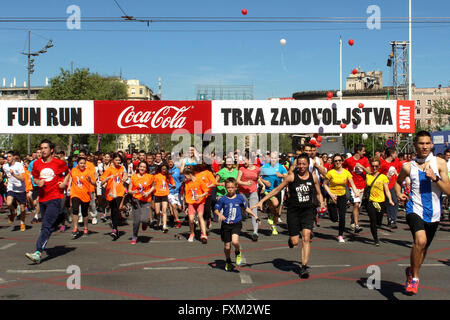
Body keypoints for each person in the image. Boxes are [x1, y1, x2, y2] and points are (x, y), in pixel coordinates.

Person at [395, 131, 450, 295]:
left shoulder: (440, 163)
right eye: (421, 143)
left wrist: (435, 178)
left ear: (431, 144)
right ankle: (415, 278)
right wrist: (399, 194)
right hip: (414, 209)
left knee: (423, 248)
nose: (424, 147)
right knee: (420, 240)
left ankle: (411, 270)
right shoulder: (407, 166)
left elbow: (448, 190)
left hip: (434, 213)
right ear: (415, 145)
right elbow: (397, 183)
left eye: (427, 143)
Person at [253, 153, 326, 278]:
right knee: (295, 241)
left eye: (304, 164)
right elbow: (277, 190)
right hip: (294, 212)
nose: (302, 166)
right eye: (299, 164)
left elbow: (318, 192)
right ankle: (292, 240)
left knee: (306, 237)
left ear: (308, 164)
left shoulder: (313, 177)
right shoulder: (291, 177)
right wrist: (262, 200)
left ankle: (303, 268)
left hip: (308, 211)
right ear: (296, 165)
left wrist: (322, 202)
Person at [25, 139, 70, 264]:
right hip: (43, 198)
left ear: (51, 150)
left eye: (45, 148)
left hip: (55, 197)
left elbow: (68, 173)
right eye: (41, 148)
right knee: (48, 225)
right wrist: (38, 182)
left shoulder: (58, 163)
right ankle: (61, 217)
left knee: (45, 225)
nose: (43, 150)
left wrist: (64, 183)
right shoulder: (37, 164)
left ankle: (38, 252)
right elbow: (35, 176)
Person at [215, 178, 260, 271]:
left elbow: (246, 208)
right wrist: (219, 214)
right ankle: (228, 261)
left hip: (236, 223)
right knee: (227, 246)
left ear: (236, 187)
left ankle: (237, 252)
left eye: (232, 187)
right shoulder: (223, 199)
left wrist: (255, 216)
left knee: (235, 241)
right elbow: (216, 209)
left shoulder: (239, 197)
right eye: (228, 187)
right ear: (225, 188)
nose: (230, 189)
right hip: (226, 225)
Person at [323, 154, 360, 243]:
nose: (338, 162)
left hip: (342, 196)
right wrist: (331, 194)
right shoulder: (330, 173)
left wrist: (356, 192)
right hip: (332, 196)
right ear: (333, 162)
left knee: (342, 216)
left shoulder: (346, 172)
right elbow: (324, 184)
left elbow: (352, 183)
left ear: (342, 161)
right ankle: (332, 214)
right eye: (335, 161)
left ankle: (340, 235)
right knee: (334, 218)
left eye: (339, 160)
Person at [365, 158, 394, 246]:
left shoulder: (383, 177)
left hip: (381, 202)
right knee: (372, 220)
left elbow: (387, 190)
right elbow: (365, 188)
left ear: (379, 166)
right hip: (370, 201)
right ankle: (376, 239)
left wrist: (390, 200)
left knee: (378, 221)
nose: (374, 168)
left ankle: (378, 224)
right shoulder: (368, 176)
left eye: (376, 166)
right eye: (372, 166)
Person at [343, 144, 370, 233]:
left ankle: (353, 220)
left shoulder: (365, 160)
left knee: (357, 206)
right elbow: (342, 168)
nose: (364, 153)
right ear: (358, 151)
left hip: (362, 186)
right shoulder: (349, 160)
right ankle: (357, 225)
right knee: (356, 204)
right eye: (363, 151)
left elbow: (369, 172)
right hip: (352, 186)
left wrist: (362, 167)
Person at [100, 153, 128, 240]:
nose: (118, 162)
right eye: (116, 160)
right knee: (113, 210)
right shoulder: (109, 169)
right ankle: (115, 228)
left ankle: (115, 229)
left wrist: (125, 178)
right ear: (113, 160)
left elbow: (125, 174)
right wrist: (108, 178)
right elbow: (101, 181)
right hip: (110, 192)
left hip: (119, 191)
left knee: (116, 208)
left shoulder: (122, 168)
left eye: (119, 160)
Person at [260, 151, 288, 235]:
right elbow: (258, 178)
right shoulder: (265, 167)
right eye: (272, 158)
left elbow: (288, 177)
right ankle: (269, 212)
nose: (273, 159)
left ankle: (274, 226)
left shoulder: (281, 167)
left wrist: (282, 176)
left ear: (278, 158)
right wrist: (264, 182)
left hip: (278, 190)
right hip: (268, 190)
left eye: (275, 158)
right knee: (275, 203)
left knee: (276, 211)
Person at [68, 157, 96, 238]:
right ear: (78, 164)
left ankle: (85, 228)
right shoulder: (73, 170)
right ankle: (75, 228)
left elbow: (95, 183)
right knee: (75, 209)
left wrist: (90, 180)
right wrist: (69, 186)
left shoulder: (88, 172)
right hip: (75, 193)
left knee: (84, 213)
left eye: (84, 163)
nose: (82, 165)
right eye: (81, 163)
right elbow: (71, 178)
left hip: (85, 194)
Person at [128, 161, 155, 244]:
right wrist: (133, 192)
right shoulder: (133, 177)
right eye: (141, 166)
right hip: (136, 201)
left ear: (146, 168)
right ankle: (134, 236)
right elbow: (129, 190)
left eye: (144, 167)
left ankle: (145, 223)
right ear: (138, 167)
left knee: (144, 219)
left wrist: (148, 193)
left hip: (146, 201)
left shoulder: (150, 177)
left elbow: (153, 186)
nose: (142, 168)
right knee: (136, 221)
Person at [237, 151, 261, 241]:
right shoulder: (242, 169)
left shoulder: (257, 169)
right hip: (242, 193)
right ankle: (240, 222)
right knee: (243, 209)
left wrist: (263, 184)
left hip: (253, 192)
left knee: (254, 210)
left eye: (245, 160)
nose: (244, 162)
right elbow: (237, 181)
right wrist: (245, 183)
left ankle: (255, 232)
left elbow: (257, 178)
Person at [183, 167, 209, 243]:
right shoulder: (187, 183)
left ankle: (204, 234)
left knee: (200, 216)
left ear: (190, 174)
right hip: (191, 203)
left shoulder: (199, 181)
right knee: (191, 219)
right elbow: (187, 195)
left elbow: (206, 191)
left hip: (200, 202)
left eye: (185, 176)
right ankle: (192, 233)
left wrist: (200, 196)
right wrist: (186, 206)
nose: (185, 178)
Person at [3, 151, 27, 231]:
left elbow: (23, 179)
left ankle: (22, 223)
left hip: (20, 189)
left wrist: (13, 174)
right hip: (11, 188)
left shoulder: (19, 165)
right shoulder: (5, 166)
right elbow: (7, 175)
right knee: (8, 203)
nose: (8, 158)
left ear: (13, 157)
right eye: (7, 156)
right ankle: (13, 213)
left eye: (10, 156)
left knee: (22, 208)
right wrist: (6, 180)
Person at [379, 147, 402, 228]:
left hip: (394, 185)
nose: (396, 155)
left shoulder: (396, 161)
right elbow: (378, 174)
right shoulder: (383, 164)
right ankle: (390, 219)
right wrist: (386, 176)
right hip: (385, 186)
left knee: (394, 202)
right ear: (392, 154)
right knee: (390, 202)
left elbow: (399, 170)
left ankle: (392, 219)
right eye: (395, 153)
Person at [153, 163, 175, 232]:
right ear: (160, 169)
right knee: (157, 212)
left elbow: (173, 183)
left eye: (165, 169)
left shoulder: (168, 176)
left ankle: (164, 225)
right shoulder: (156, 176)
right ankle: (158, 218)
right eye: (163, 169)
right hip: (157, 195)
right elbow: (153, 184)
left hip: (165, 194)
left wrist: (173, 185)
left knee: (164, 210)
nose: (164, 170)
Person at [168, 157, 184, 228]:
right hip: (169, 192)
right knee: (174, 206)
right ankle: (177, 221)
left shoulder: (178, 170)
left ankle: (175, 214)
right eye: (169, 162)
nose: (170, 163)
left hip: (178, 191)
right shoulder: (166, 171)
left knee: (180, 208)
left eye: (172, 162)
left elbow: (183, 179)